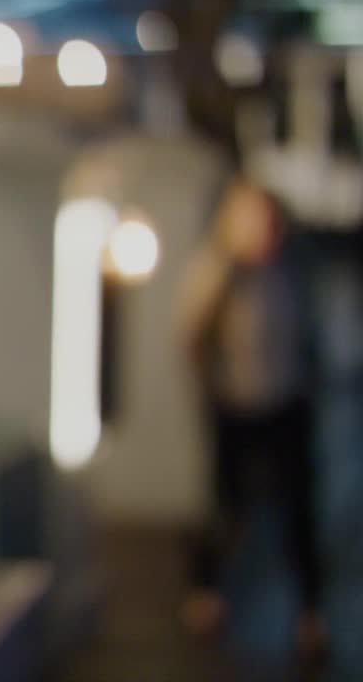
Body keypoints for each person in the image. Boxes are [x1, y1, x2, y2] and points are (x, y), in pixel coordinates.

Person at [177, 174, 324, 659]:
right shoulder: (218, 270)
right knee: (226, 502)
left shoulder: (291, 269)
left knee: (298, 507)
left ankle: (310, 613)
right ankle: (207, 594)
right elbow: (192, 334)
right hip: (234, 406)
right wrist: (212, 390)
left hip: (285, 402)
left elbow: (308, 330)